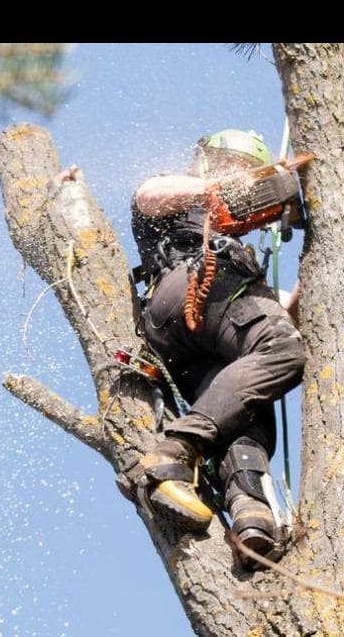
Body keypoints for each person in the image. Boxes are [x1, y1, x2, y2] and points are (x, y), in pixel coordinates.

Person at [121, 129, 306, 562]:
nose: (240, 179)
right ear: (206, 162)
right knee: (282, 350)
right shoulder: (182, 195)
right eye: (232, 167)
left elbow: (270, 311)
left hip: (203, 330)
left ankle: (250, 516)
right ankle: (176, 448)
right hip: (189, 288)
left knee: (243, 411)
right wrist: (218, 187)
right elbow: (148, 195)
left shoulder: (234, 243)